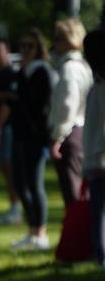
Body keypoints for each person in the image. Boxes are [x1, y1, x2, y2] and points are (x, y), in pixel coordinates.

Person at [0, 28, 56, 252]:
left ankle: (41, 233)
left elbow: (39, 104)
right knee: (20, 183)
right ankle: (32, 230)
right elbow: (15, 101)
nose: (26, 50)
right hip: (19, 133)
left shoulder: (42, 71)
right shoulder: (22, 72)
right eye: (23, 46)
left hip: (35, 136)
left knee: (34, 183)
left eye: (31, 46)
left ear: (39, 49)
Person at [48, 17, 93, 209]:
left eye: (58, 38)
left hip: (71, 133)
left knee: (73, 193)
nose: (54, 43)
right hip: (82, 132)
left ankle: (77, 227)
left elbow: (67, 105)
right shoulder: (84, 66)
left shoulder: (69, 68)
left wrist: (57, 137)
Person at [0, 37, 22, 225]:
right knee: (4, 168)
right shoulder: (0, 74)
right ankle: (13, 207)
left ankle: (16, 209)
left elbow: (8, 102)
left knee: (10, 169)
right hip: (1, 126)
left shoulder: (9, 74)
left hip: (6, 127)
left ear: (7, 52)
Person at [82, 27, 105, 268]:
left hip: (99, 159)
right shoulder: (97, 83)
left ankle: (101, 255)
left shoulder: (101, 85)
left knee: (100, 211)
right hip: (95, 156)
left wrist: (98, 157)